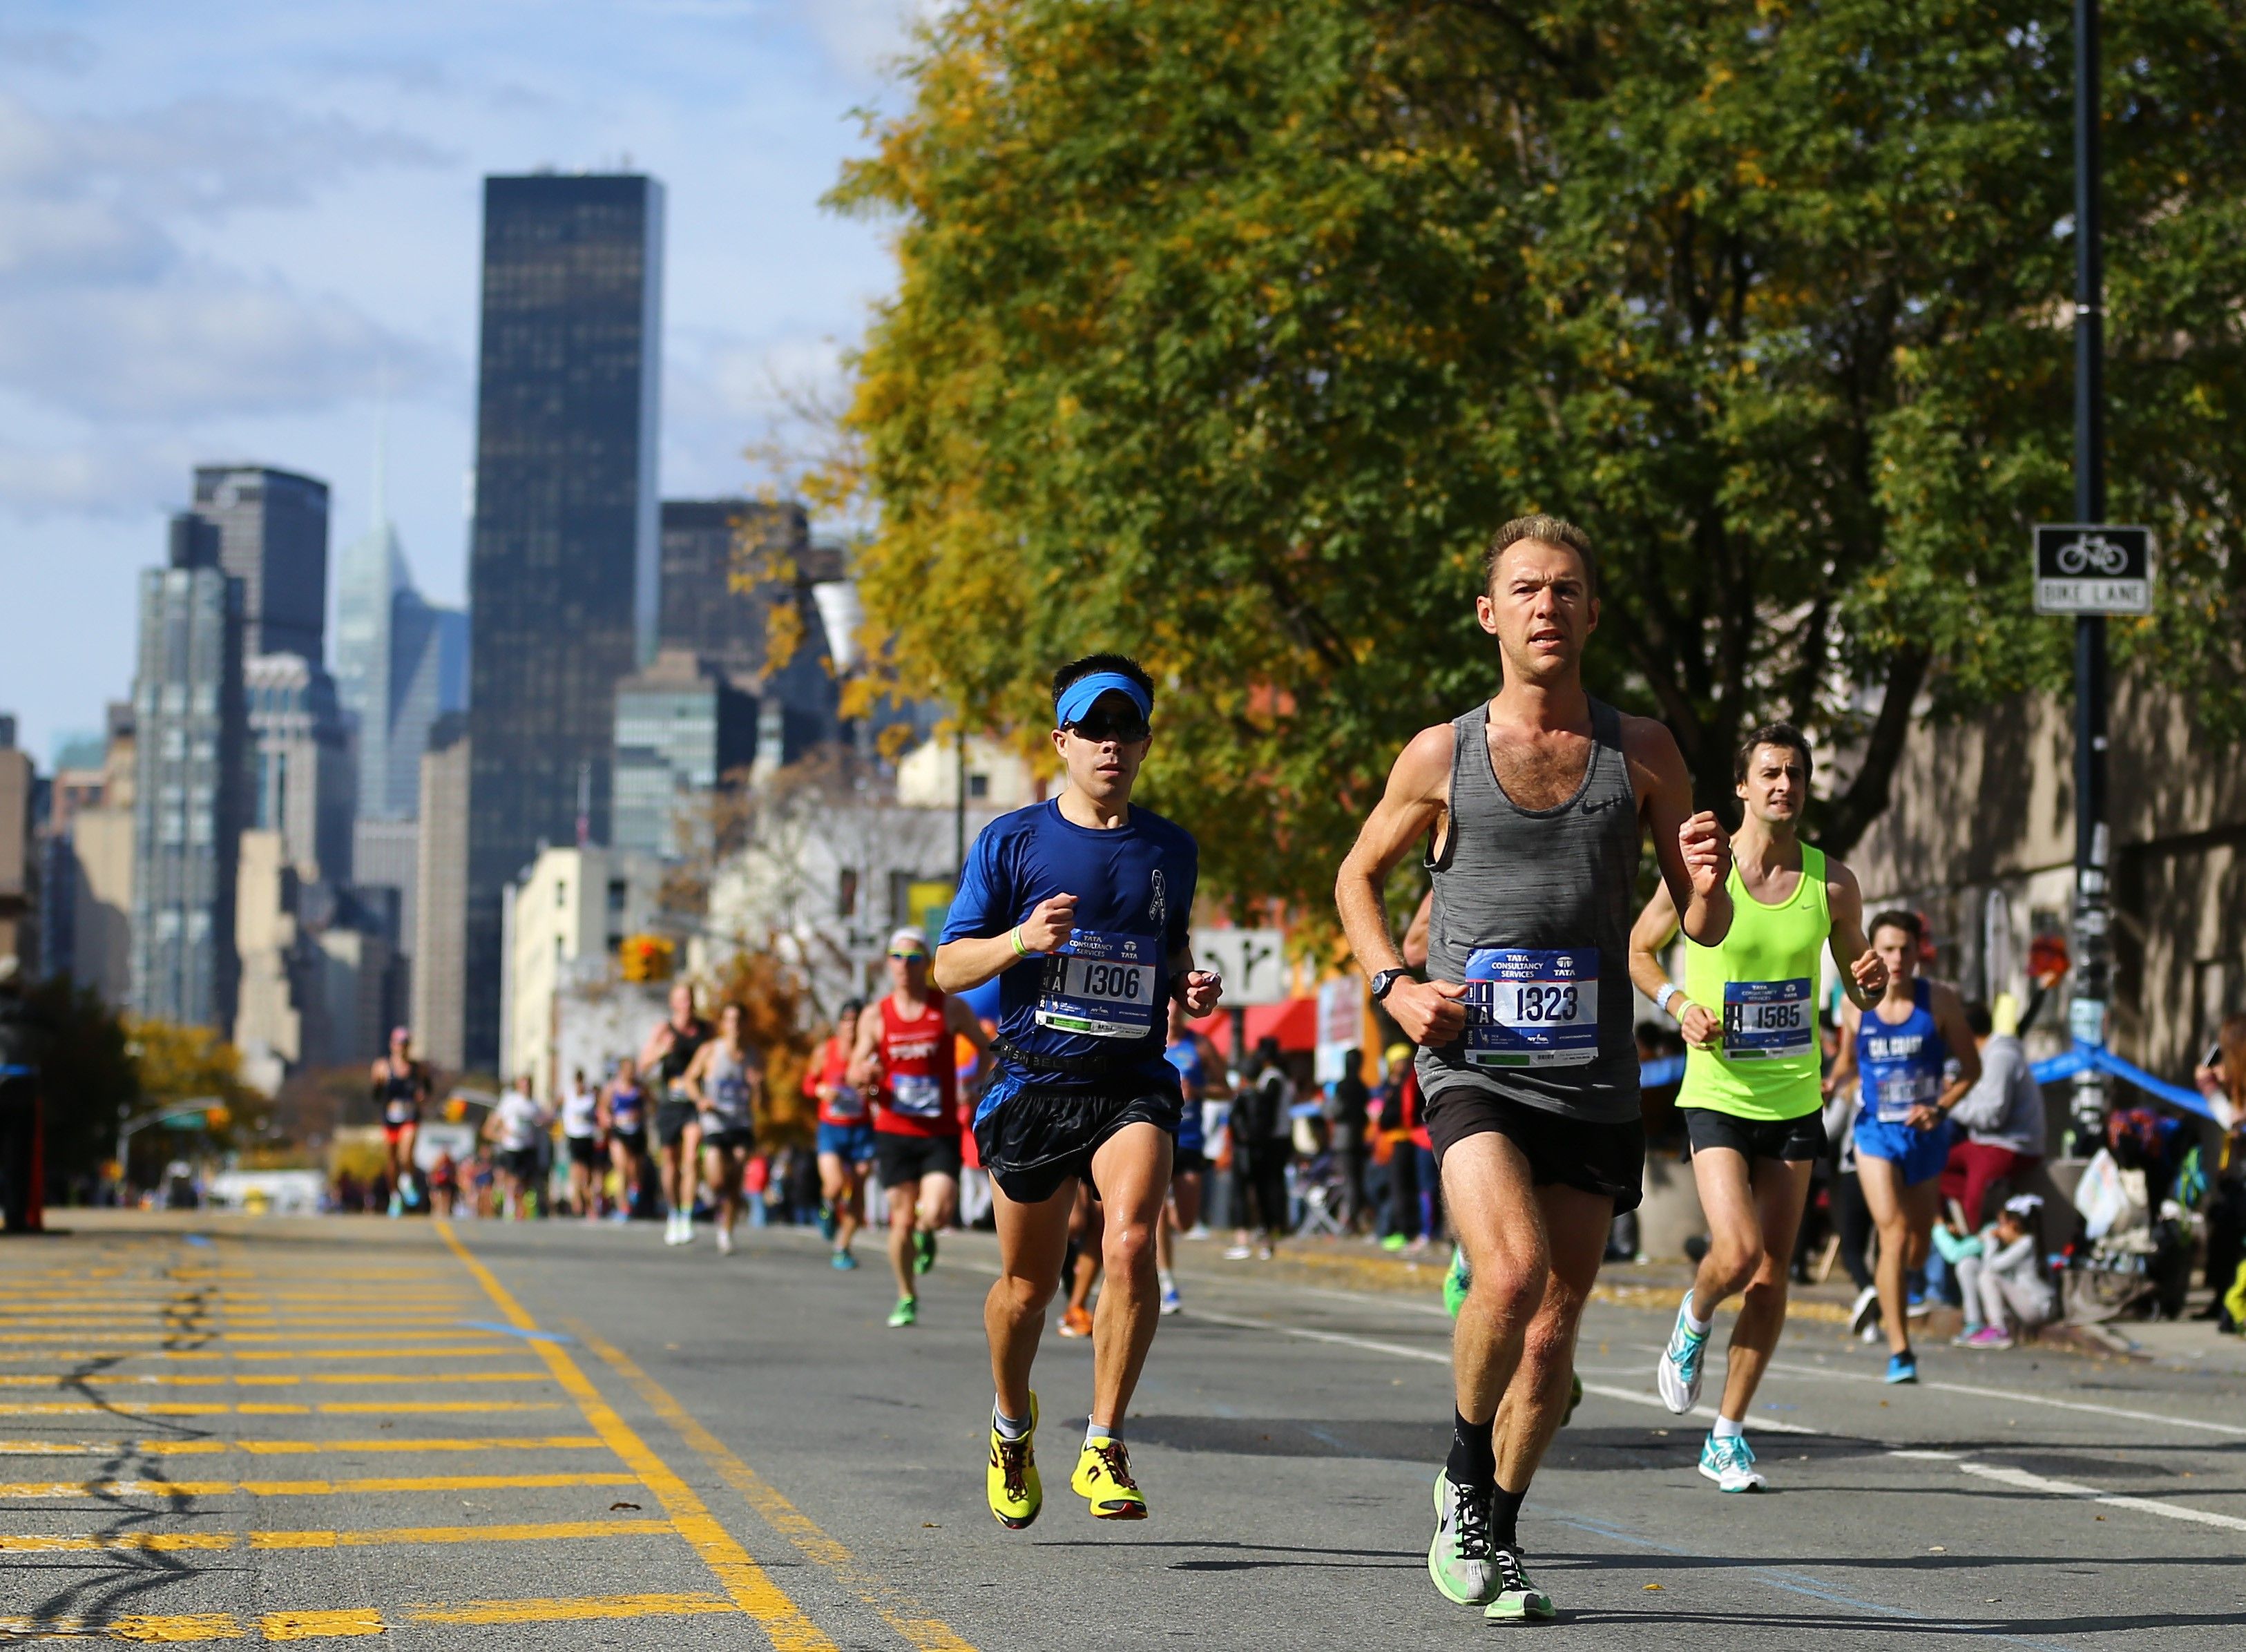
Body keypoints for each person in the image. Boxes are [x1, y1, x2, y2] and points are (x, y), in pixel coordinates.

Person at [1334, 515, 1731, 1622]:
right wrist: (1392, 986)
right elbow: (1355, 880)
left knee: (1555, 1331)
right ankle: (1465, 1479)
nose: (1547, 606)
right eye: (1526, 590)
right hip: (1475, 1066)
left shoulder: (1643, 749)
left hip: (1593, 1075)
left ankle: (1499, 1531)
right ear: (1489, 614)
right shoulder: (1441, 753)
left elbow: (1700, 923)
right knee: (1508, 1277)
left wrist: (1703, 881)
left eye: (1566, 590)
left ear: (1592, 613)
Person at [932, 653, 1222, 1530]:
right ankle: (1011, 1425)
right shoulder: (1012, 842)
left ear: (1144, 742)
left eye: (1125, 729)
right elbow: (948, 966)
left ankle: (1104, 1441)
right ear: (1061, 741)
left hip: (1131, 1079)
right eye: (1092, 729)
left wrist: (1186, 984)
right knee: (1027, 1289)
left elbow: (1164, 946)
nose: (1110, 745)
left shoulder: (1172, 847)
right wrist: (1020, 939)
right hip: (1033, 1084)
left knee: (1132, 1238)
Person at [1628, 722, 1885, 1492]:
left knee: (1774, 1279)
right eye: (1770, 772)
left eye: (1796, 774)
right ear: (1742, 787)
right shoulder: (1705, 871)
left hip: (1794, 1096)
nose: (1784, 785)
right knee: (1735, 1254)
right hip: (1717, 1092)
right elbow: (1640, 949)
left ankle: (1728, 1435)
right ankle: (1695, 1315)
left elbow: (1861, 986)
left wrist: (1869, 980)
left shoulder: (1831, 883)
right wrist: (1679, 1003)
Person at [1825, 908, 1981, 1384]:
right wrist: (1832, 1083)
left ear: (1918, 953)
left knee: (1915, 1243)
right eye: (1886, 949)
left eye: (1904, 949)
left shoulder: (1942, 1003)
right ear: (1872, 952)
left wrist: (1940, 1107)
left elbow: (1972, 1070)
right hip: (1875, 1132)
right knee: (1891, 1233)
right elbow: (1848, 1062)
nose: (1895, 958)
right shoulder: (1855, 1003)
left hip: (1926, 1133)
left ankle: (1894, 1286)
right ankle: (1900, 1350)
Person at [852, 928, 992, 1326]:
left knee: (936, 1211)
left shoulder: (947, 1008)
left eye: (913, 959)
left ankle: (928, 1232)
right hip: (895, 1129)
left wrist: (973, 1085)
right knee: (900, 1218)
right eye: (897, 957)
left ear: (926, 964)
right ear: (888, 963)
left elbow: (984, 1047)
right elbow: (853, 1067)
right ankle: (906, 1295)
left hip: (939, 1130)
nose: (904, 966)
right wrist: (864, 1073)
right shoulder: (876, 1015)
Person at [1941, 1001, 2047, 1230]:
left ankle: (1976, 1244)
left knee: (1974, 1204)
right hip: (1986, 1141)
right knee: (1933, 1163)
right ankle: (1972, 1226)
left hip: (2010, 1144)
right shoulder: (1985, 1055)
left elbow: (1992, 1116)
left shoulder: (2000, 1058)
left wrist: (1948, 1104)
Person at [684, 1001, 765, 1256]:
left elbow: (764, 1102)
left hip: (740, 1122)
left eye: (739, 1020)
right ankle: (710, 1192)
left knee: (736, 1176)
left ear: (745, 1024)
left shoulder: (754, 1056)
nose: (735, 1026)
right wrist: (700, 1100)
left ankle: (726, 1231)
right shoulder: (711, 1051)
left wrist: (758, 1086)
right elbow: (689, 1079)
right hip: (715, 1121)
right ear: (723, 1024)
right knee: (718, 1179)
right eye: (730, 1020)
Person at [642, 983, 713, 1247]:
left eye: (691, 998)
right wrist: (662, 1051)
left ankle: (686, 1214)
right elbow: (644, 1063)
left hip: (695, 1102)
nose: (687, 1004)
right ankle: (673, 1211)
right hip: (670, 1102)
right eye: (682, 999)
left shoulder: (706, 1030)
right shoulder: (664, 1030)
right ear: (673, 1003)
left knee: (692, 1156)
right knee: (670, 1162)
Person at [1157, 1000, 1216, 1312]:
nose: (1172, 1019)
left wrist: (1200, 1092)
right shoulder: (1149, 1041)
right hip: (1157, 1133)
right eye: (1167, 1014)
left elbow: (1227, 1089)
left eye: (1177, 1014)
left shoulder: (1200, 1046)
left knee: (1187, 1221)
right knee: (1159, 1213)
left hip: (1190, 1139)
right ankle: (1167, 1282)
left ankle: (1168, 1215)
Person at [809, 1000, 874, 1269]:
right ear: (839, 1024)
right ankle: (827, 1208)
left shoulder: (871, 1054)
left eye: (856, 1020)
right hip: (832, 1129)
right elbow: (808, 1083)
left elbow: (882, 1084)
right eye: (846, 1020)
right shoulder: (826, 1050)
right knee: (835, 1184)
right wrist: (822, 1090)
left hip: (861, 1130)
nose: (852, 1025)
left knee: (858, 1188)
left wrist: (871, 1091)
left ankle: (842, 1247)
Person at [1952, 1194, 2056, 1347]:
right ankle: (1974, 1323)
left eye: (2001, 1224)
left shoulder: (2026, 1244)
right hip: (2021, 1302)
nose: (1998, 1230)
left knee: (1988, 1277)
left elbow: (1991, 1267)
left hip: (2036, 1307)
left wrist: (1990, 1242)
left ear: (2015, 1225)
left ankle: (1998, 1330)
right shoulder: (2015, 1243)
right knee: (1968, 1264)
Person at [1225, 1037, 1293, 1260]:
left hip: (1270, 1140)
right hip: (1270, 1139)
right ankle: (1269, 1232)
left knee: (1262, 1189)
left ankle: (1264, 1231)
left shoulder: (1271, 1081)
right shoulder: (1275, 1080)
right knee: (1268, 1188)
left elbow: (1260, 1116)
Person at [371, 1027, 433, 1218]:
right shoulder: (382, 1066)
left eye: (405, 1044)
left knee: (406, 1155)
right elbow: (375, 1096)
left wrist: (422, 1096)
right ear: (392, 1045)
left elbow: (428, 1088)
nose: (402, 1048)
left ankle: (407, 1180)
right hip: (390, 1118)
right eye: (399, 1044)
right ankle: (395, 1195)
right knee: (391, 1161)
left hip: (410, 1117)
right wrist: (379, 1083)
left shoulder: (418, 1068)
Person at [483, 1075, 550, 1221]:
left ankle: (522, 1208)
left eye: (529, 1085)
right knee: (513, 1179)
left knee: (526, 1182)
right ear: (519, 1086)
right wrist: (502, 1134)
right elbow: (494, 1122)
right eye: (524, 1085)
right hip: (512, 1147)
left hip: (528, 1148)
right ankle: (510, 1207)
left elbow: (541, 1122)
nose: (527, 1088)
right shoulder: (511, 1101)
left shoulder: (534, 1105)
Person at [601, 1055, 652, 1221]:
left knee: (635, 1170)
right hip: (619, 1132)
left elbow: (653, 1106)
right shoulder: (612, 1088)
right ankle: (623, 1206)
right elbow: (603, 1109)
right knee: (621, 1168)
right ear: (621, 1071)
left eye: (633, 1070)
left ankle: (634, 1189)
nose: (631, 1073)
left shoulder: (641, 1088)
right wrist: (609, 1119)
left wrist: (640, 1114)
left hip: (637, 1133)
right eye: (628, 1070)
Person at [1329, 1047, 1372, 1233]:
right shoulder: (1362, 1086)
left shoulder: (1343, 1086)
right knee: (1355, 1180)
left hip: (1344, 1137)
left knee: (1349, 1181)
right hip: (1358, 1135)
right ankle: (1354, 1218)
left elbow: (1335, 1111)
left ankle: (1350, 1220)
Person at [559, 1067, 604, 1220]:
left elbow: (601, 1111)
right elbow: (555, 1107)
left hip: (588, 1137)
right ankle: (577, 1201)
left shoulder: (590, 1097)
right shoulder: (568, 1095)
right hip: (574, 1137)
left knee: (588, 1175)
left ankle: (588, 1204)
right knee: (576, 1171)